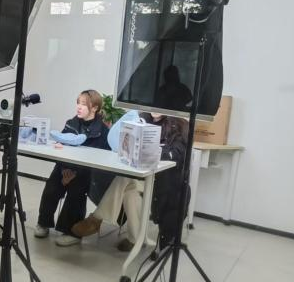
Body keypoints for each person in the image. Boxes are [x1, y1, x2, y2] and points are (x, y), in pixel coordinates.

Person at [72, 112, 188, 251]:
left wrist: (148, 151)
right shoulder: (141, 119)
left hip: (163, 182)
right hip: (140, 178)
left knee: (124, 178)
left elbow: (176, 154)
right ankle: (135, 239)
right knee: (130, 194)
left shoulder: (179, 125)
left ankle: (96, 219)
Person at [34, 89, 110, 247]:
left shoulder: (103, 131)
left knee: (77, 190)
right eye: (78, 103)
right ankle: (43, 222)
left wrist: (74, 174)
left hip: (85, 172)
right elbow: (61, 145)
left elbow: (100, 159)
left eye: (83, 104)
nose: (79, 107)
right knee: (52, 186)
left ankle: (71, 232)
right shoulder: (71, 123)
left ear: (94, 108)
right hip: (65, 167)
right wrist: (64, 171)